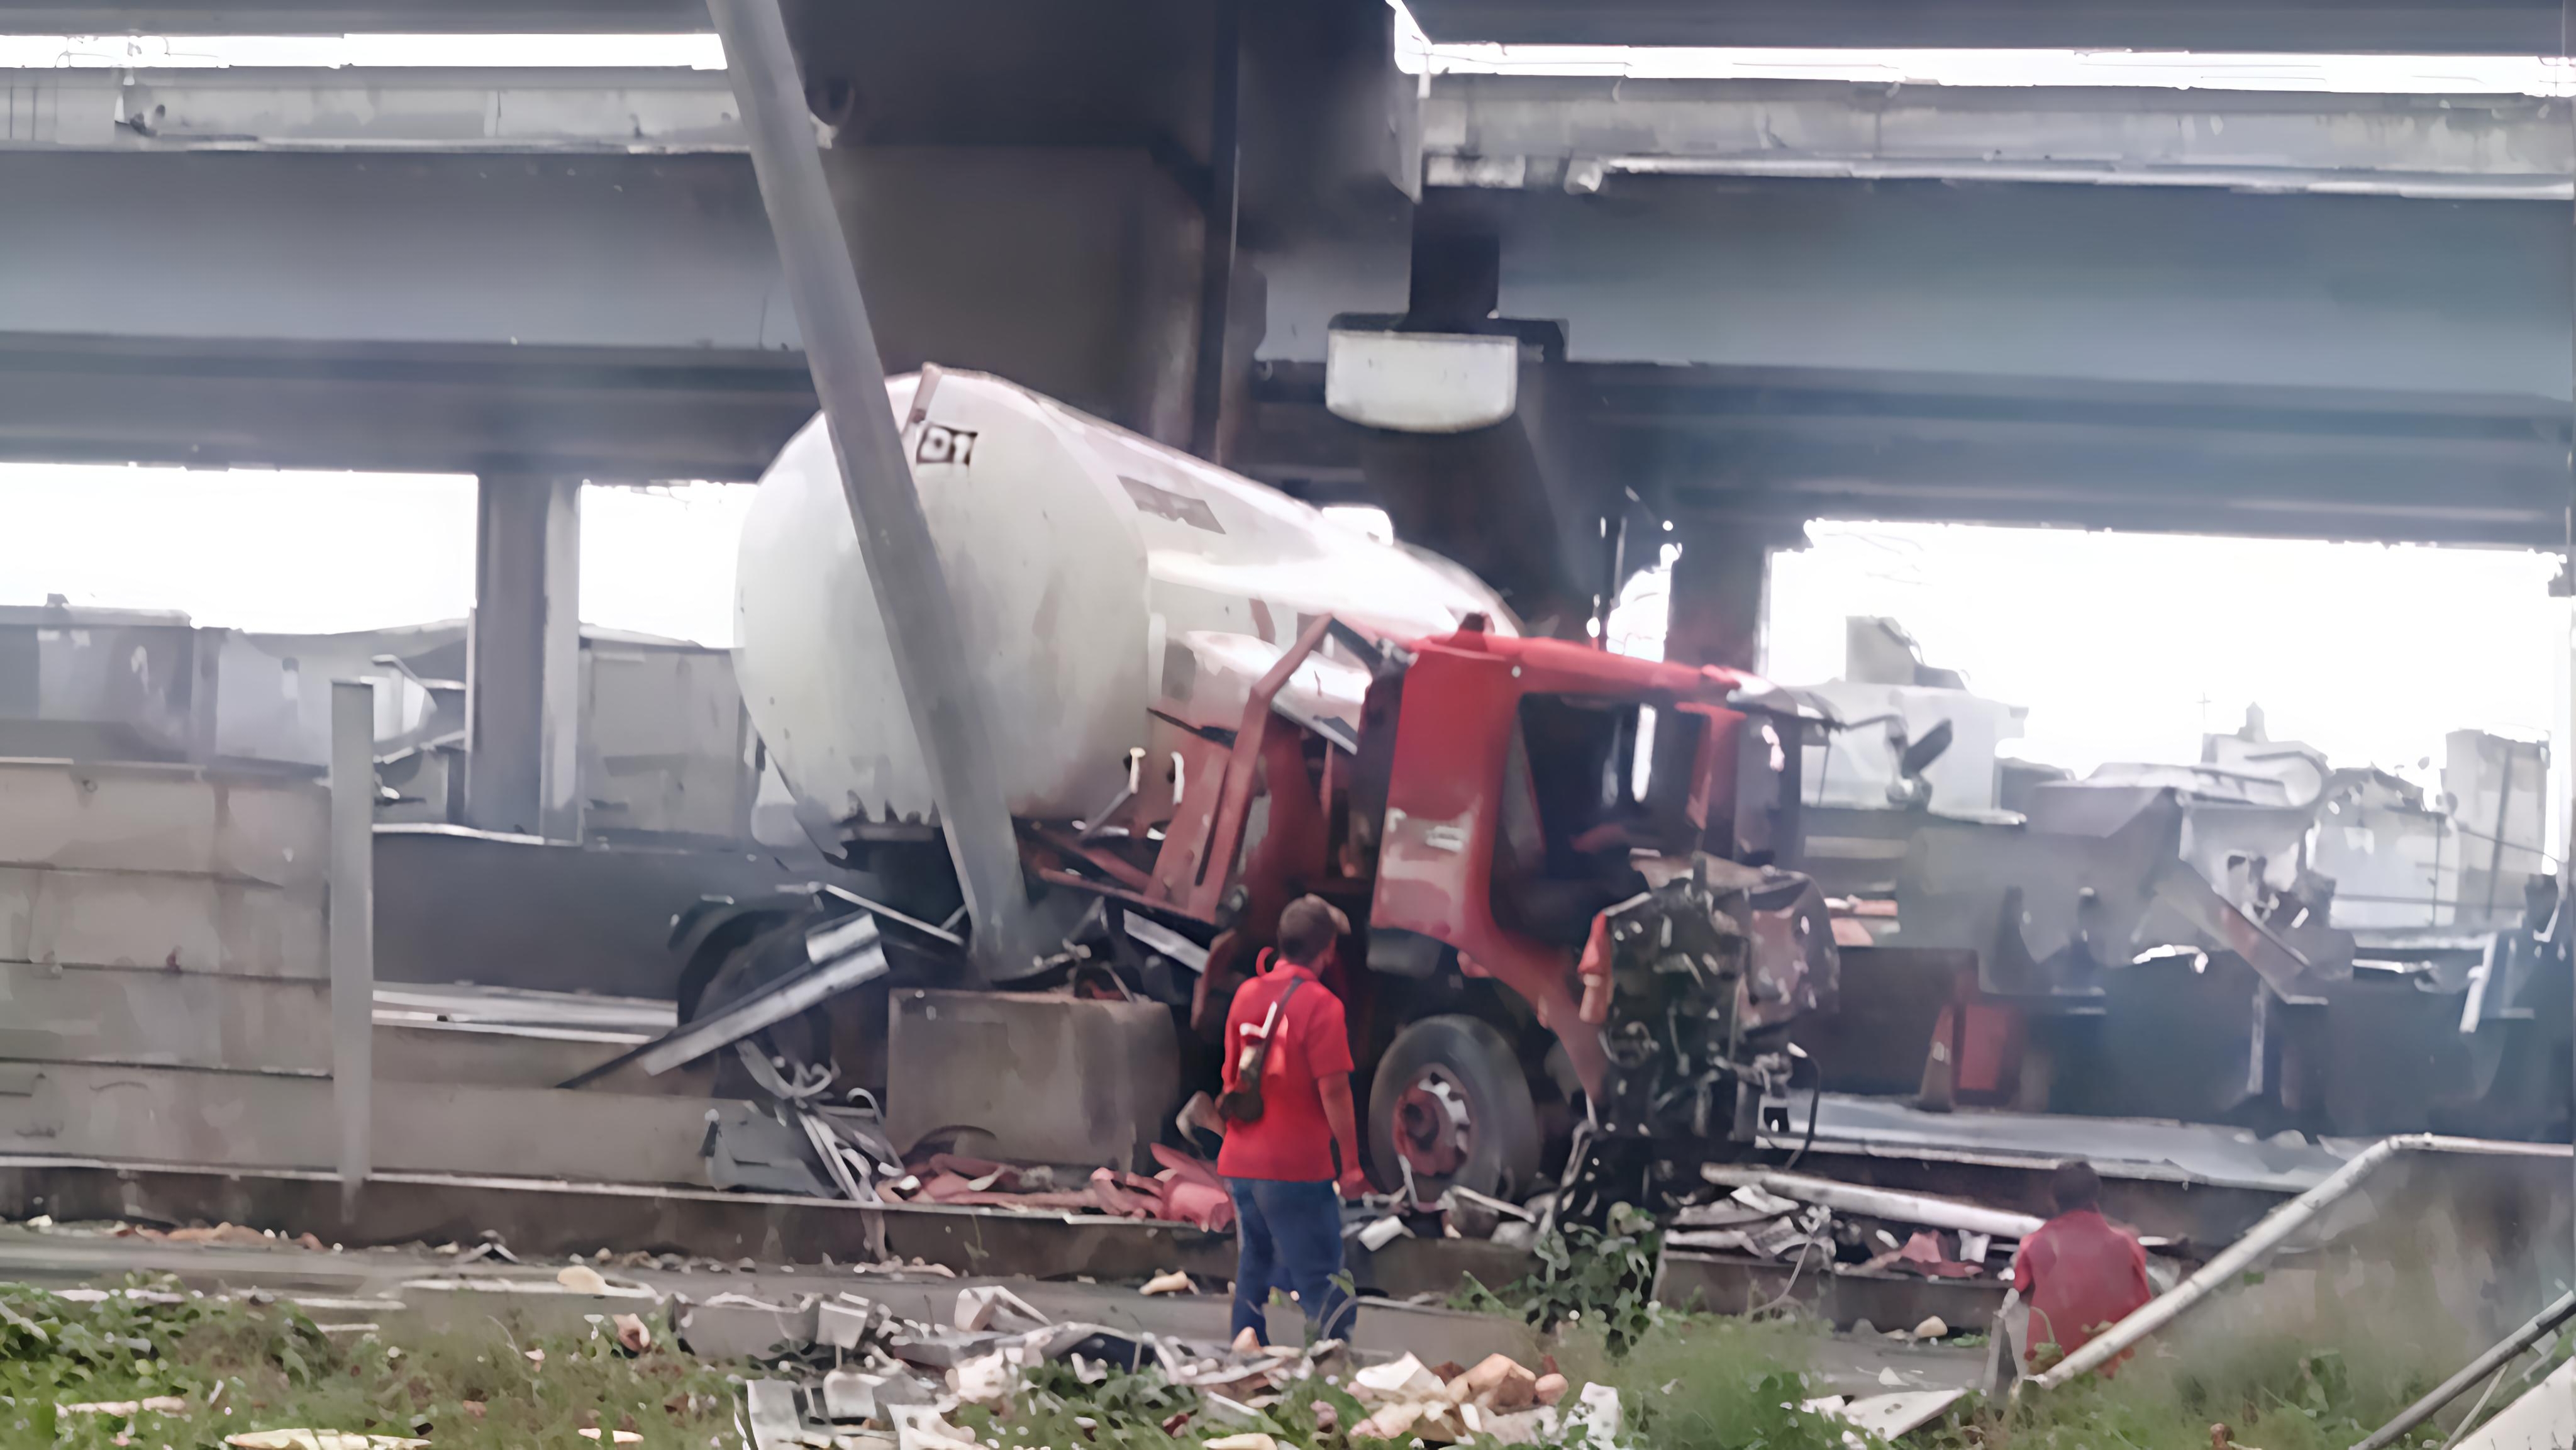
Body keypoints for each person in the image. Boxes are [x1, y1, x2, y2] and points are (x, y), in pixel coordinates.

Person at [1216, 895, 1370, 1346]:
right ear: (1328, 950)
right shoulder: (1323, 1006)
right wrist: (1351, 1165)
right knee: (1323, 1277)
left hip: (1241, 1164)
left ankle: (1245, 1354)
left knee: (1254, 1264)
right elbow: (1334, 1091)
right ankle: (1332, 1366)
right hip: (1295, 1168)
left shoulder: (1246, 994)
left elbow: (1230, 1077)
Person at [2014, 1159, 2153, 1374]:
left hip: (2052, 1363)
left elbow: (2021, 1296)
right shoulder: (2126, 1243)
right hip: (2115, 1364)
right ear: (2095, 1195)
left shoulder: (2034, 1243)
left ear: (2053, 1198)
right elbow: (2145, 1305)